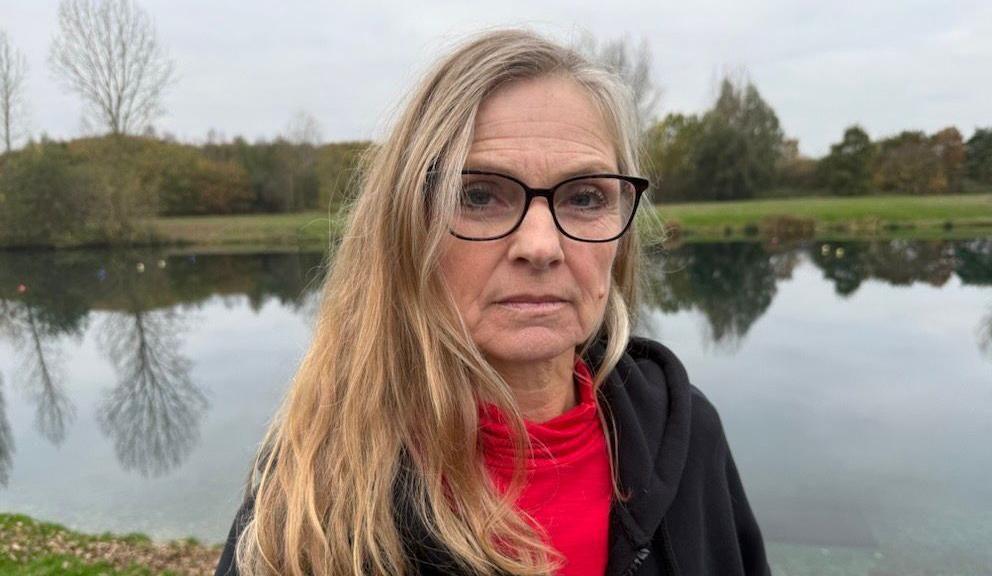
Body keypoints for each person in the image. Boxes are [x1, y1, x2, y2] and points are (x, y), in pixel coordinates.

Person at [214, 29, 769, 576]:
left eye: (584, 197)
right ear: (408, 227)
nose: (541, 246)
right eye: (478, 195)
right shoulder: (318, 481)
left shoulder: (684, 432)